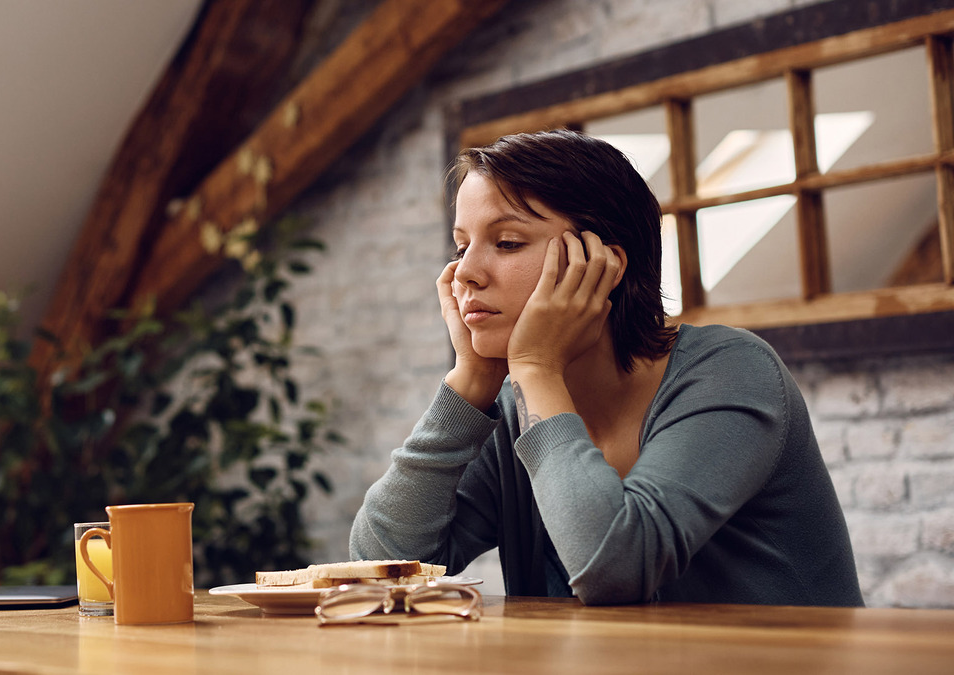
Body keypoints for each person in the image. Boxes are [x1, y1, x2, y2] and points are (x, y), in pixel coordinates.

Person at [349, 130, 863, 606]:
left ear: (603, 264)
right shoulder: (512, 405)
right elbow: (379, 565)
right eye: (462, 247)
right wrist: (470, 383)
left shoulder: (731, 371)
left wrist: (536, 368)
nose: (465, 273)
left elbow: (614, 568)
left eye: (506, 243)